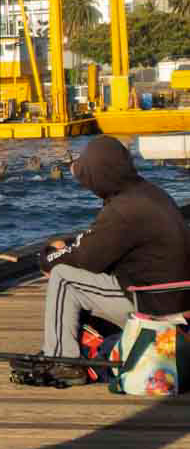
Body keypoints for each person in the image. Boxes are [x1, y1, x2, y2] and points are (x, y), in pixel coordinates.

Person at [23, 135, 190, 379]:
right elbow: (98, 246)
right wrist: (73, 247)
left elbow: (86, 260)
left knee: (64, 278)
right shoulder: (149, 194)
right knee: (76, 270)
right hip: (176, 298)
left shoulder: (122, 210)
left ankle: (62, 360)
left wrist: (49, 256)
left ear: (99, 177)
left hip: (151, 303)